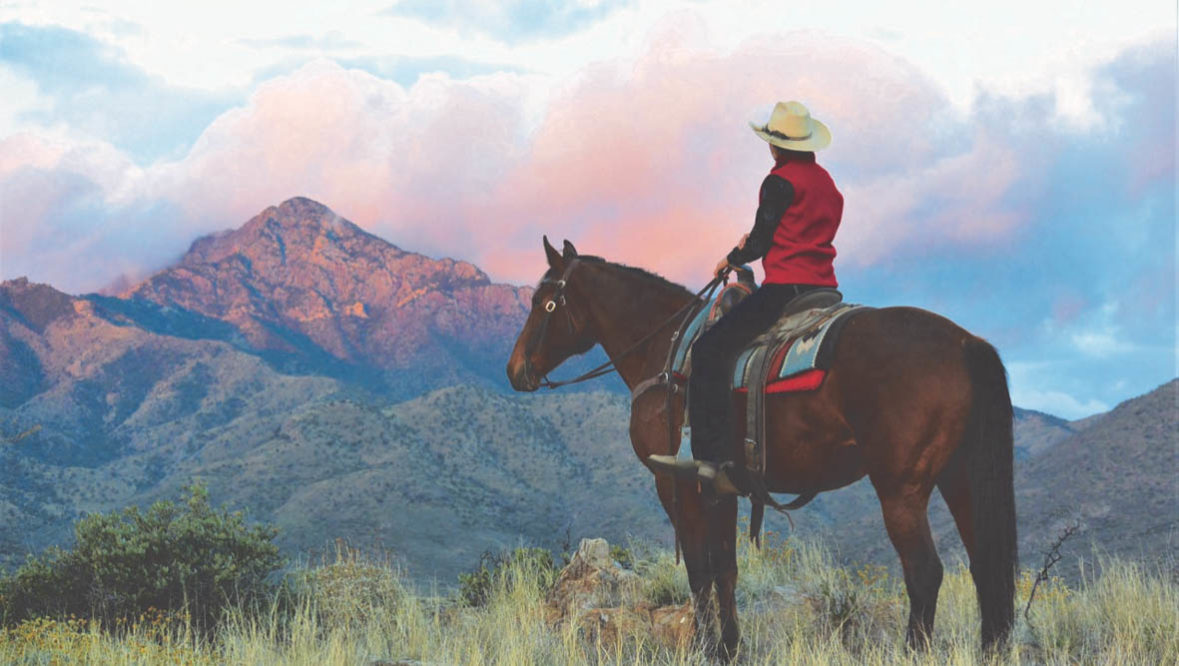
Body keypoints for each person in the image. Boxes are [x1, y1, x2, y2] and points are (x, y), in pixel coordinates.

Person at [647, 101, 844, 494]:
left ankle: (710, 458)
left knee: (710, 349)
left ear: (775, 146)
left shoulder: (779, 181)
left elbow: (761, 238)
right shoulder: (828, 185)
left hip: (785, 288)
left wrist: (730, 259)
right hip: (824, 289)